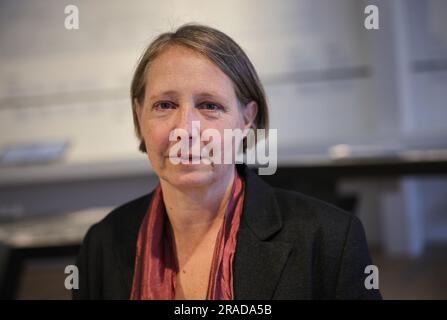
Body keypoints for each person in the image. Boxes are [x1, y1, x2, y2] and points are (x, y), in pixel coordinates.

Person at [73, 24, 381, 300]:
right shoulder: (103, 243)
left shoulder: (329, 237)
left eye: (209, 105)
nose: (185, 129)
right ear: (140, 115)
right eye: (164, 105)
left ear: (246, 119)